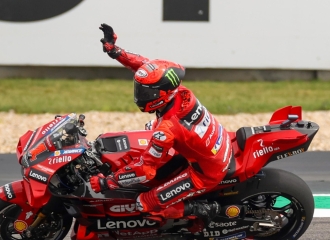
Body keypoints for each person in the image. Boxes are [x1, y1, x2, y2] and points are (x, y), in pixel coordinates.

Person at [90, 23, 233, 225]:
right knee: (149, 131)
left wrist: (107, 182)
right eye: (141, 90)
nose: (141, 96)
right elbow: (143, 65)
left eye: (147, 93)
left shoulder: (167, 128)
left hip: (206, 172)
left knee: (143, 203)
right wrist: (115, 51)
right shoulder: (178, 90)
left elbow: (144, 170)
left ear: (163, 93)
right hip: (209, 146)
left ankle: (205, 209)